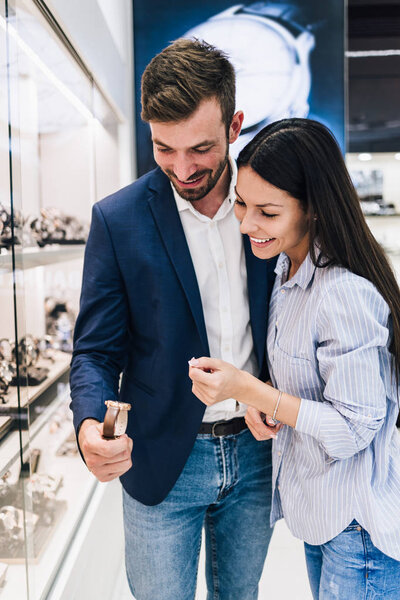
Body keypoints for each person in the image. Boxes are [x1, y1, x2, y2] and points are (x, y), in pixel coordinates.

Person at [70, 39, 277, 600]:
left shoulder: (275, 205)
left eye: (201, 149)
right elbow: (94, 352)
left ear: (235, 126)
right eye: (164, 148)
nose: (182, 169)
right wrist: (90, 425)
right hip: (162, 459)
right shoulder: (117, 220)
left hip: (259, 456)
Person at [189, 117, 400, 599]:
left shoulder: (343, 293)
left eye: (267, 211)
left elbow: (352, 428)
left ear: (315, 210)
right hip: (322, 519)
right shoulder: (286, 270)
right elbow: (308, 391)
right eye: (241, 203)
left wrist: (248, 389)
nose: (246, 224)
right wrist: (262, 406)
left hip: (360, 529)